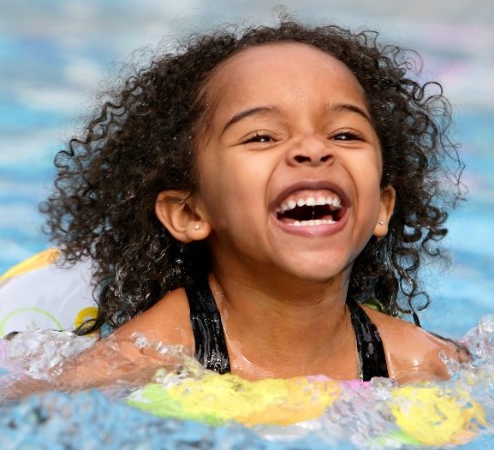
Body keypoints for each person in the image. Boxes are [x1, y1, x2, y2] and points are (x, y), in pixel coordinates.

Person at [37, 18, 468, 387]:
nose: (313, 149)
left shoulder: (422, 364)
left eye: (344, 134)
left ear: (381, 208)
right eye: (261, 136)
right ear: (189, 213)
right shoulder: (139, 364)